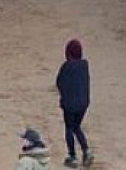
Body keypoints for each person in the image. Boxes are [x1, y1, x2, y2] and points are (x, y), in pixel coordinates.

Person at [56, 39, 93, 168]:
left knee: (69, 128)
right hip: (83, 103)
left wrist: (63, 98)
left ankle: (72, 156)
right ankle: (86, 150)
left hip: (70, 105)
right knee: (77, 127)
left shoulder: (66, 67)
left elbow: (60, 82)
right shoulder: (85, 65)